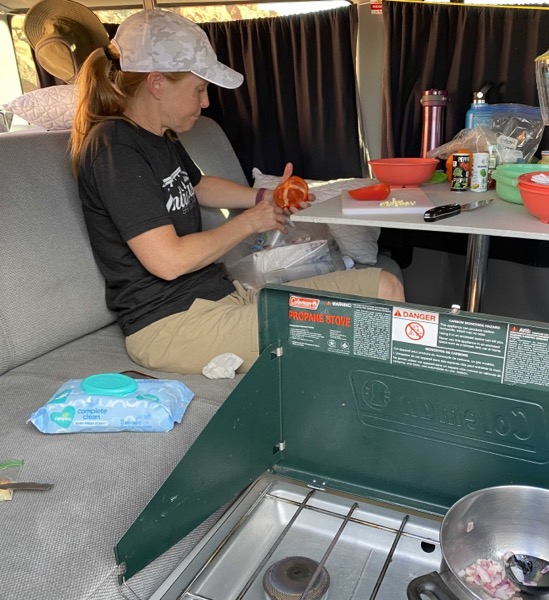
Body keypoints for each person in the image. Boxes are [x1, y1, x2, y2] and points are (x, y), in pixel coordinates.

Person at [69, 9, 404, 375]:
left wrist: (266, 198)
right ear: (157, 83)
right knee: (364, 329)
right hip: (171, 326)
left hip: (222, 299)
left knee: (383, 288)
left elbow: (197, 186)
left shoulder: (160, 139)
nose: (206, 102)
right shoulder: (114, 147)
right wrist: (249, 223)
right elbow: (168, 261)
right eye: (198, 89)